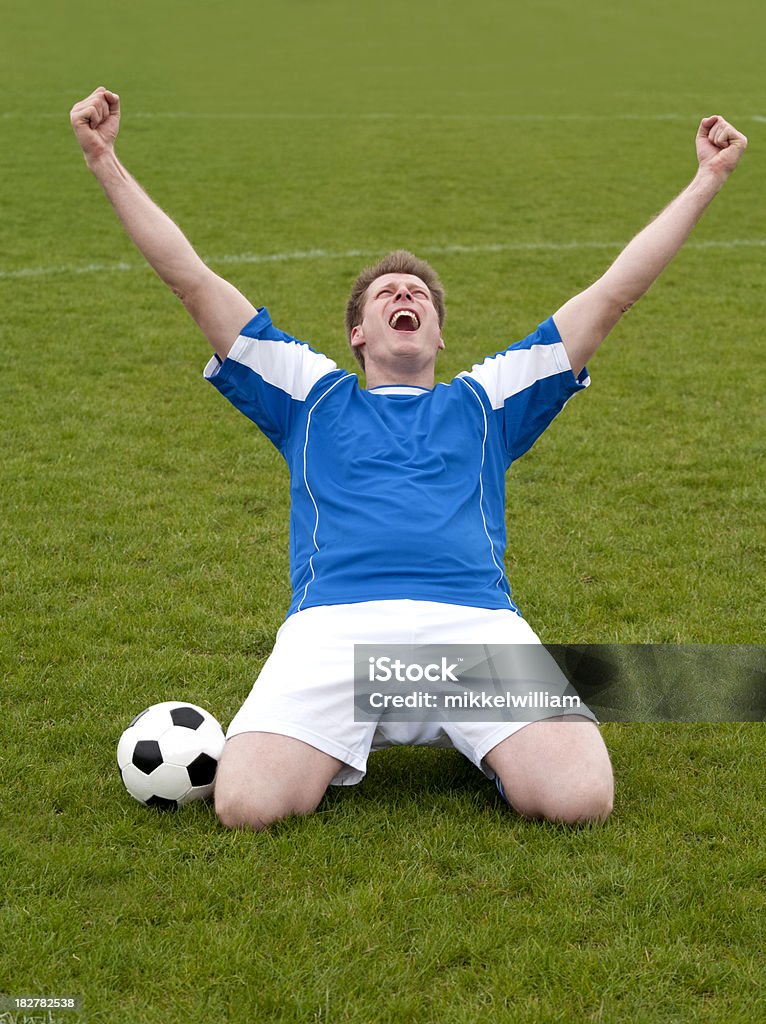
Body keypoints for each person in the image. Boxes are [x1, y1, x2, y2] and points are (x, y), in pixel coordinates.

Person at [70, 86, 747, 830]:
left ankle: (479, 736)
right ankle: (381, 729)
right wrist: (105, 160)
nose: (406, 293)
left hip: (471, 628)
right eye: (388, 292)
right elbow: (191, 281)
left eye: (418, 293)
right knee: (246, 807)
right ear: (358, 334)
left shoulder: (486, 399)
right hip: (334, 629)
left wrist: (705, 180)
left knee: (580, 800)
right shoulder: (309, 392)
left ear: (436, 335)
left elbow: (614, 293)